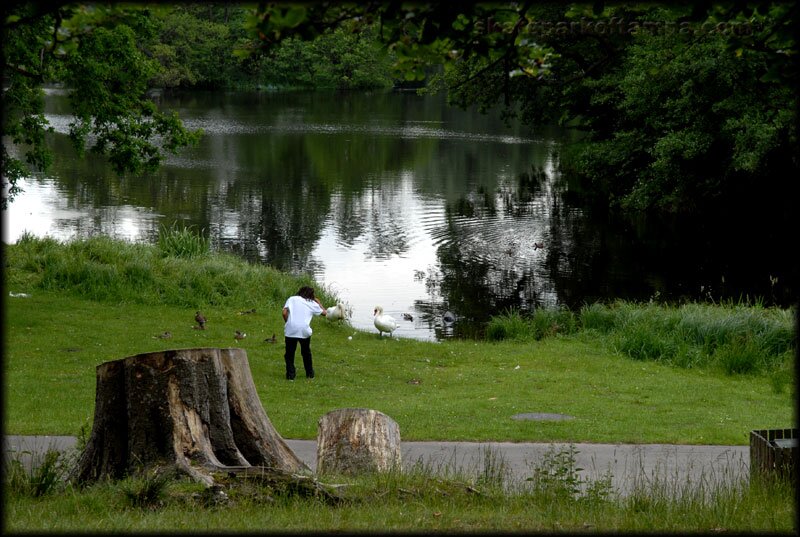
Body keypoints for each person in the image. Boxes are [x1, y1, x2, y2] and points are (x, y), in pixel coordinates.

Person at [282, 286, 327, 380]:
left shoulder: (292, 299)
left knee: (289, 354)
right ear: (311, 295)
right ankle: (310, 375)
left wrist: (288, 322)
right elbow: (325, 313)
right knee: (306, 353)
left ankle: (291, 376)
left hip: (291, 330)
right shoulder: (311, 303)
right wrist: (319, 303)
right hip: (304, 330)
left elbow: (284, 312)